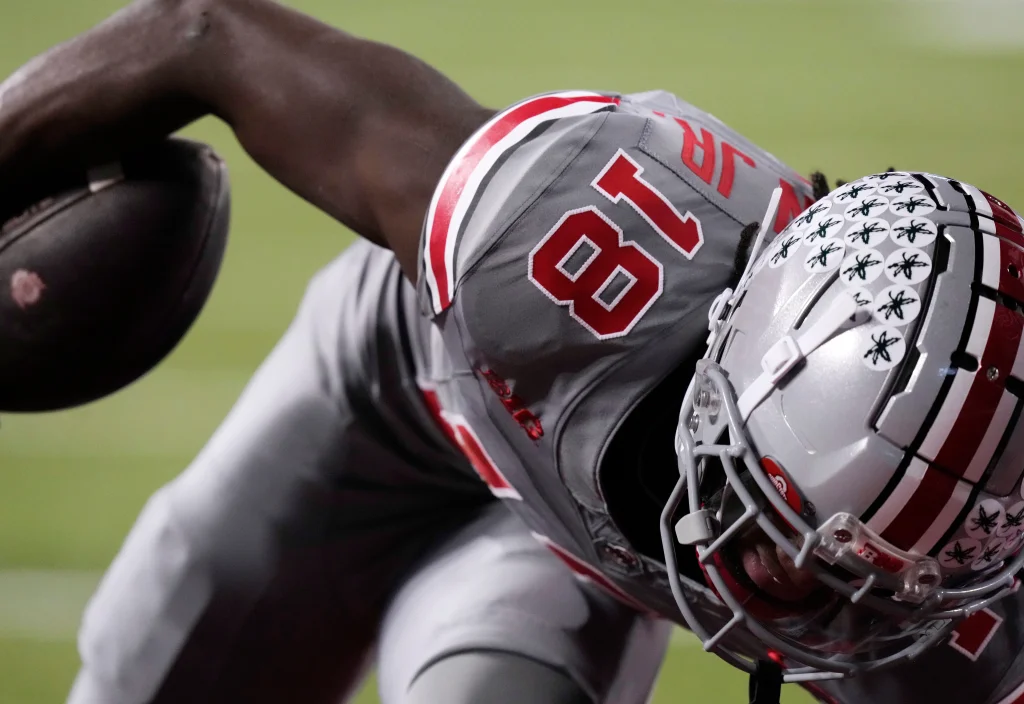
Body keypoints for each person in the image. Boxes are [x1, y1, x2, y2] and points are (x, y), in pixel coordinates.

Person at [2, 1, 1023, 703]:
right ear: (738, 364)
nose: (791, 590)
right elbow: (203, 33)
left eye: (858, 576)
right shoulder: (541, 233)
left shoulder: (959, 610)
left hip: (572, 554)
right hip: (390, 391)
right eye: (784, 520)